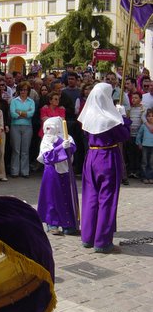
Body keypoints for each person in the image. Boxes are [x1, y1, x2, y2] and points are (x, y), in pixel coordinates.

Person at [78, 82, 131, 254]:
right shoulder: (110, 119)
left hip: (91, 156)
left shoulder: (88, 114)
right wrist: (123, 118)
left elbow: (86, 133)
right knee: (106, 198)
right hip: (107, 156)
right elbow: (124, 135)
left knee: (90, 197)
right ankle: (102, 241)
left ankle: (88, 237)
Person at [37, 116, 78, 236]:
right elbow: (47, 156)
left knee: (67, 196)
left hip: (66, 171)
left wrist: (63, 143)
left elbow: (72, 149)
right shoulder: (47, 139)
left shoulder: (67, 136)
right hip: (52, 172)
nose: (48, 130)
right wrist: (60, 145)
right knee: (52, 196)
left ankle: (68, 223)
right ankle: (52, 223)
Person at [9, 81, 35, 178]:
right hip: (15, 126)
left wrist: (19, 112)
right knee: (16, 149)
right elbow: (13, 114)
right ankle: (14, 171)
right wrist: (25, 113)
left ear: (28, 91)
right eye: (21, 90)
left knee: (25, 150)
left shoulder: (31, 101)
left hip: (28, 127)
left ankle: (25, 171)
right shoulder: (14, 101)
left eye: (25, 90)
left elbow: (31, 114)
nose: (23, 91)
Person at [136, 108, 153, 184]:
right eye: (149, 116)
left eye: (152, 116)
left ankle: (150, 177)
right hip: (145, 146)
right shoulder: (144, 126)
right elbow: (139, 135)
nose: (151, 117)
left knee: (151, 162)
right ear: (146, 117)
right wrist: (139, 143)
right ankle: (144, 177)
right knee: (144, 162)